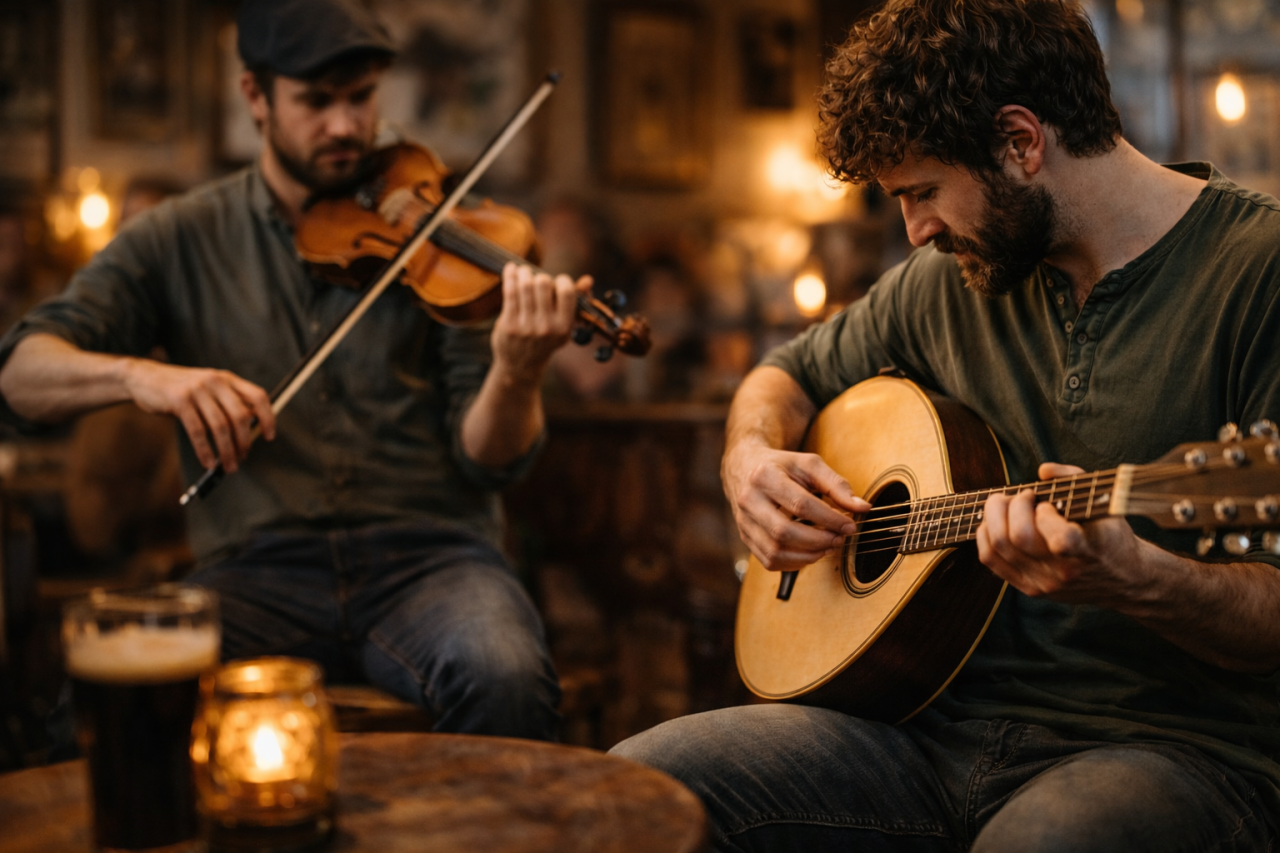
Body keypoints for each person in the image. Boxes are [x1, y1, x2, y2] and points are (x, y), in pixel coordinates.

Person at [612, 0, 1280, 849]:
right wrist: (750, 461)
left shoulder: (1258, 274)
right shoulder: (947, 282)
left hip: (1172, 750)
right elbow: (784, 373)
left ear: (1020, 142)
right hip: (922, 731)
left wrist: (1134, 577)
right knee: (633, 787)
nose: (916, 230)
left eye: (923, 192)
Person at [0, 0, 575, 741]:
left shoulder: (438, 230)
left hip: (432, 560)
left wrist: (518, 372)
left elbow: (488, 458)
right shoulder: (182, 235)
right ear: (255, 98)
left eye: (360, 97)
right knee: (93, 717)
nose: (345, 125)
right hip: (256, 571)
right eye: (315, 101)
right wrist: (143, 376)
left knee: (507, 676)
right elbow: (18, 372)